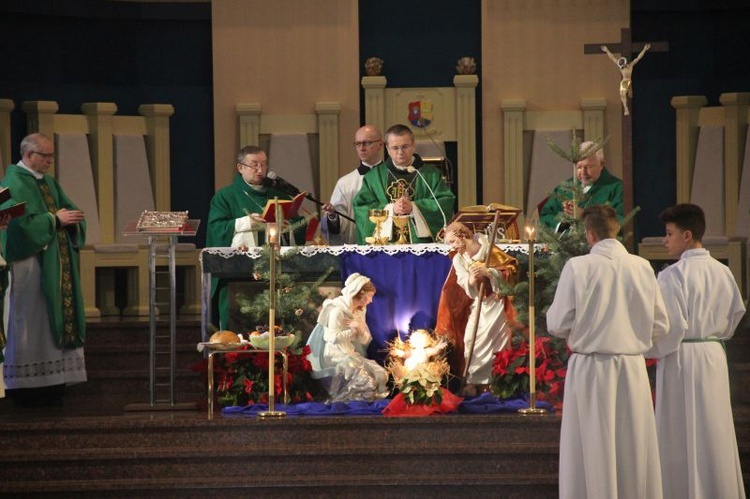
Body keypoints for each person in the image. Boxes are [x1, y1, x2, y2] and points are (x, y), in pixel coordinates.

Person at [546, 205, 670, 499]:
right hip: (631, 368)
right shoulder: (641, 266)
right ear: (616, 230)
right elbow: (661, 323)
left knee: (592, 444)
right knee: (632, 445)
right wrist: (630, 335)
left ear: (589, 234)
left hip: (591, 368)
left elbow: (558, 321)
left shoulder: (578, 267)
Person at [646, 203, 746, 499]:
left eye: (669, 233)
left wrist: (647, 348)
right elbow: (735, 314)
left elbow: (670, 327)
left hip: (681, 356)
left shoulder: (671, 276)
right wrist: (714, 337)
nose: (665, 240)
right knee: (712, 427)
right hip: (713, 356)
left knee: (680, 430)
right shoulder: (723, 272)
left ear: (687, 235)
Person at [0, 133, 88, 407]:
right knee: (30, 322)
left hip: (55, 266)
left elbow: (68, 210)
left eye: (51, 156)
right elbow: (14, 227)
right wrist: (53, 220)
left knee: (50, 323)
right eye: (45, 156)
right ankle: (26, 386)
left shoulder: (48, 182)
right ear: (29, 156)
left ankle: (53, 383)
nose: (50, 161)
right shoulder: (11, 184)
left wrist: (70, 219)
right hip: (29, 269)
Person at [206, 145, 307, 330]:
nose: (260, 170)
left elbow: (299, 225)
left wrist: (288, 227)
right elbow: (216, 229)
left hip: (276, 273)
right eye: (254, 165)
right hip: (238, 275)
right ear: (240, 168)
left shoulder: (279, 195)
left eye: (263, 164)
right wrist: (245, 223)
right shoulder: (225, 197)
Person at [437, 222, 518, 396]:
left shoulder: (488, 249)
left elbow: (510, 270)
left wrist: (489, 273)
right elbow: (462, 281)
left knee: (498, 340)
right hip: (479, 303)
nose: (452, 247)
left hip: (496, 303)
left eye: (453, 241)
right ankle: (474, 381)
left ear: (462, 236)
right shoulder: (459, 258)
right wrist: (473, 279)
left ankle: (495, 382)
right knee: (471, 340)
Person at [352, 124, 455, 244]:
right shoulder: (374, 177)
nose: (400, 152)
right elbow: (361, 207)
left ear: (413, 146)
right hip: (386, 247)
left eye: (405, 147)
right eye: (395, 148)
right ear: (387, 149)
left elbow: (445, 204)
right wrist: (390, 209)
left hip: (421, 247)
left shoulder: (430, 174)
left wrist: (414, 207)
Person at [306, 272, 389, 402]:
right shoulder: (337, 311)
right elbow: (332, 338)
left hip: (350, 352)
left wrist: (360, 329)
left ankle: (367, 400)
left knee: (381, 374)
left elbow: (365, 340)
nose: (371, 300)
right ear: (360, 293)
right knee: (366, 381)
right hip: (336, 355)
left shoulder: (359, 311)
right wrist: (352, 330)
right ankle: (350, 400)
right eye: (369, 296)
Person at [539, 141, 623, 232]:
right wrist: (562, 223)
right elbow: (546, 214)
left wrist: (584, 216)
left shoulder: (617, 188)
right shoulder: (566, 187)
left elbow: (621, 220)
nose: (583, 172)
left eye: (588, 167)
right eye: (579, 167)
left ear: (601, 164)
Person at [321, 125, 383, 245]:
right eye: (358, 144)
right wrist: (333, 216)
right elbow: (339, 224)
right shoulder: (345, 183)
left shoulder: (391, 177)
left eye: (367, 143)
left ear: (380, 144)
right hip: (356, 246)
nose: (361, 148)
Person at [601, 44, 651, 116]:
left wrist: (644, 49)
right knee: (622, 94)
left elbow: (638, 57)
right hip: (625, 81)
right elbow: (612, 58)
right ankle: (626, 108)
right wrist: (606, 50)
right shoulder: (621, 67)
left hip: (628, 81)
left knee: (627, 94)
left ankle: (628, 101)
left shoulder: (630, 65)